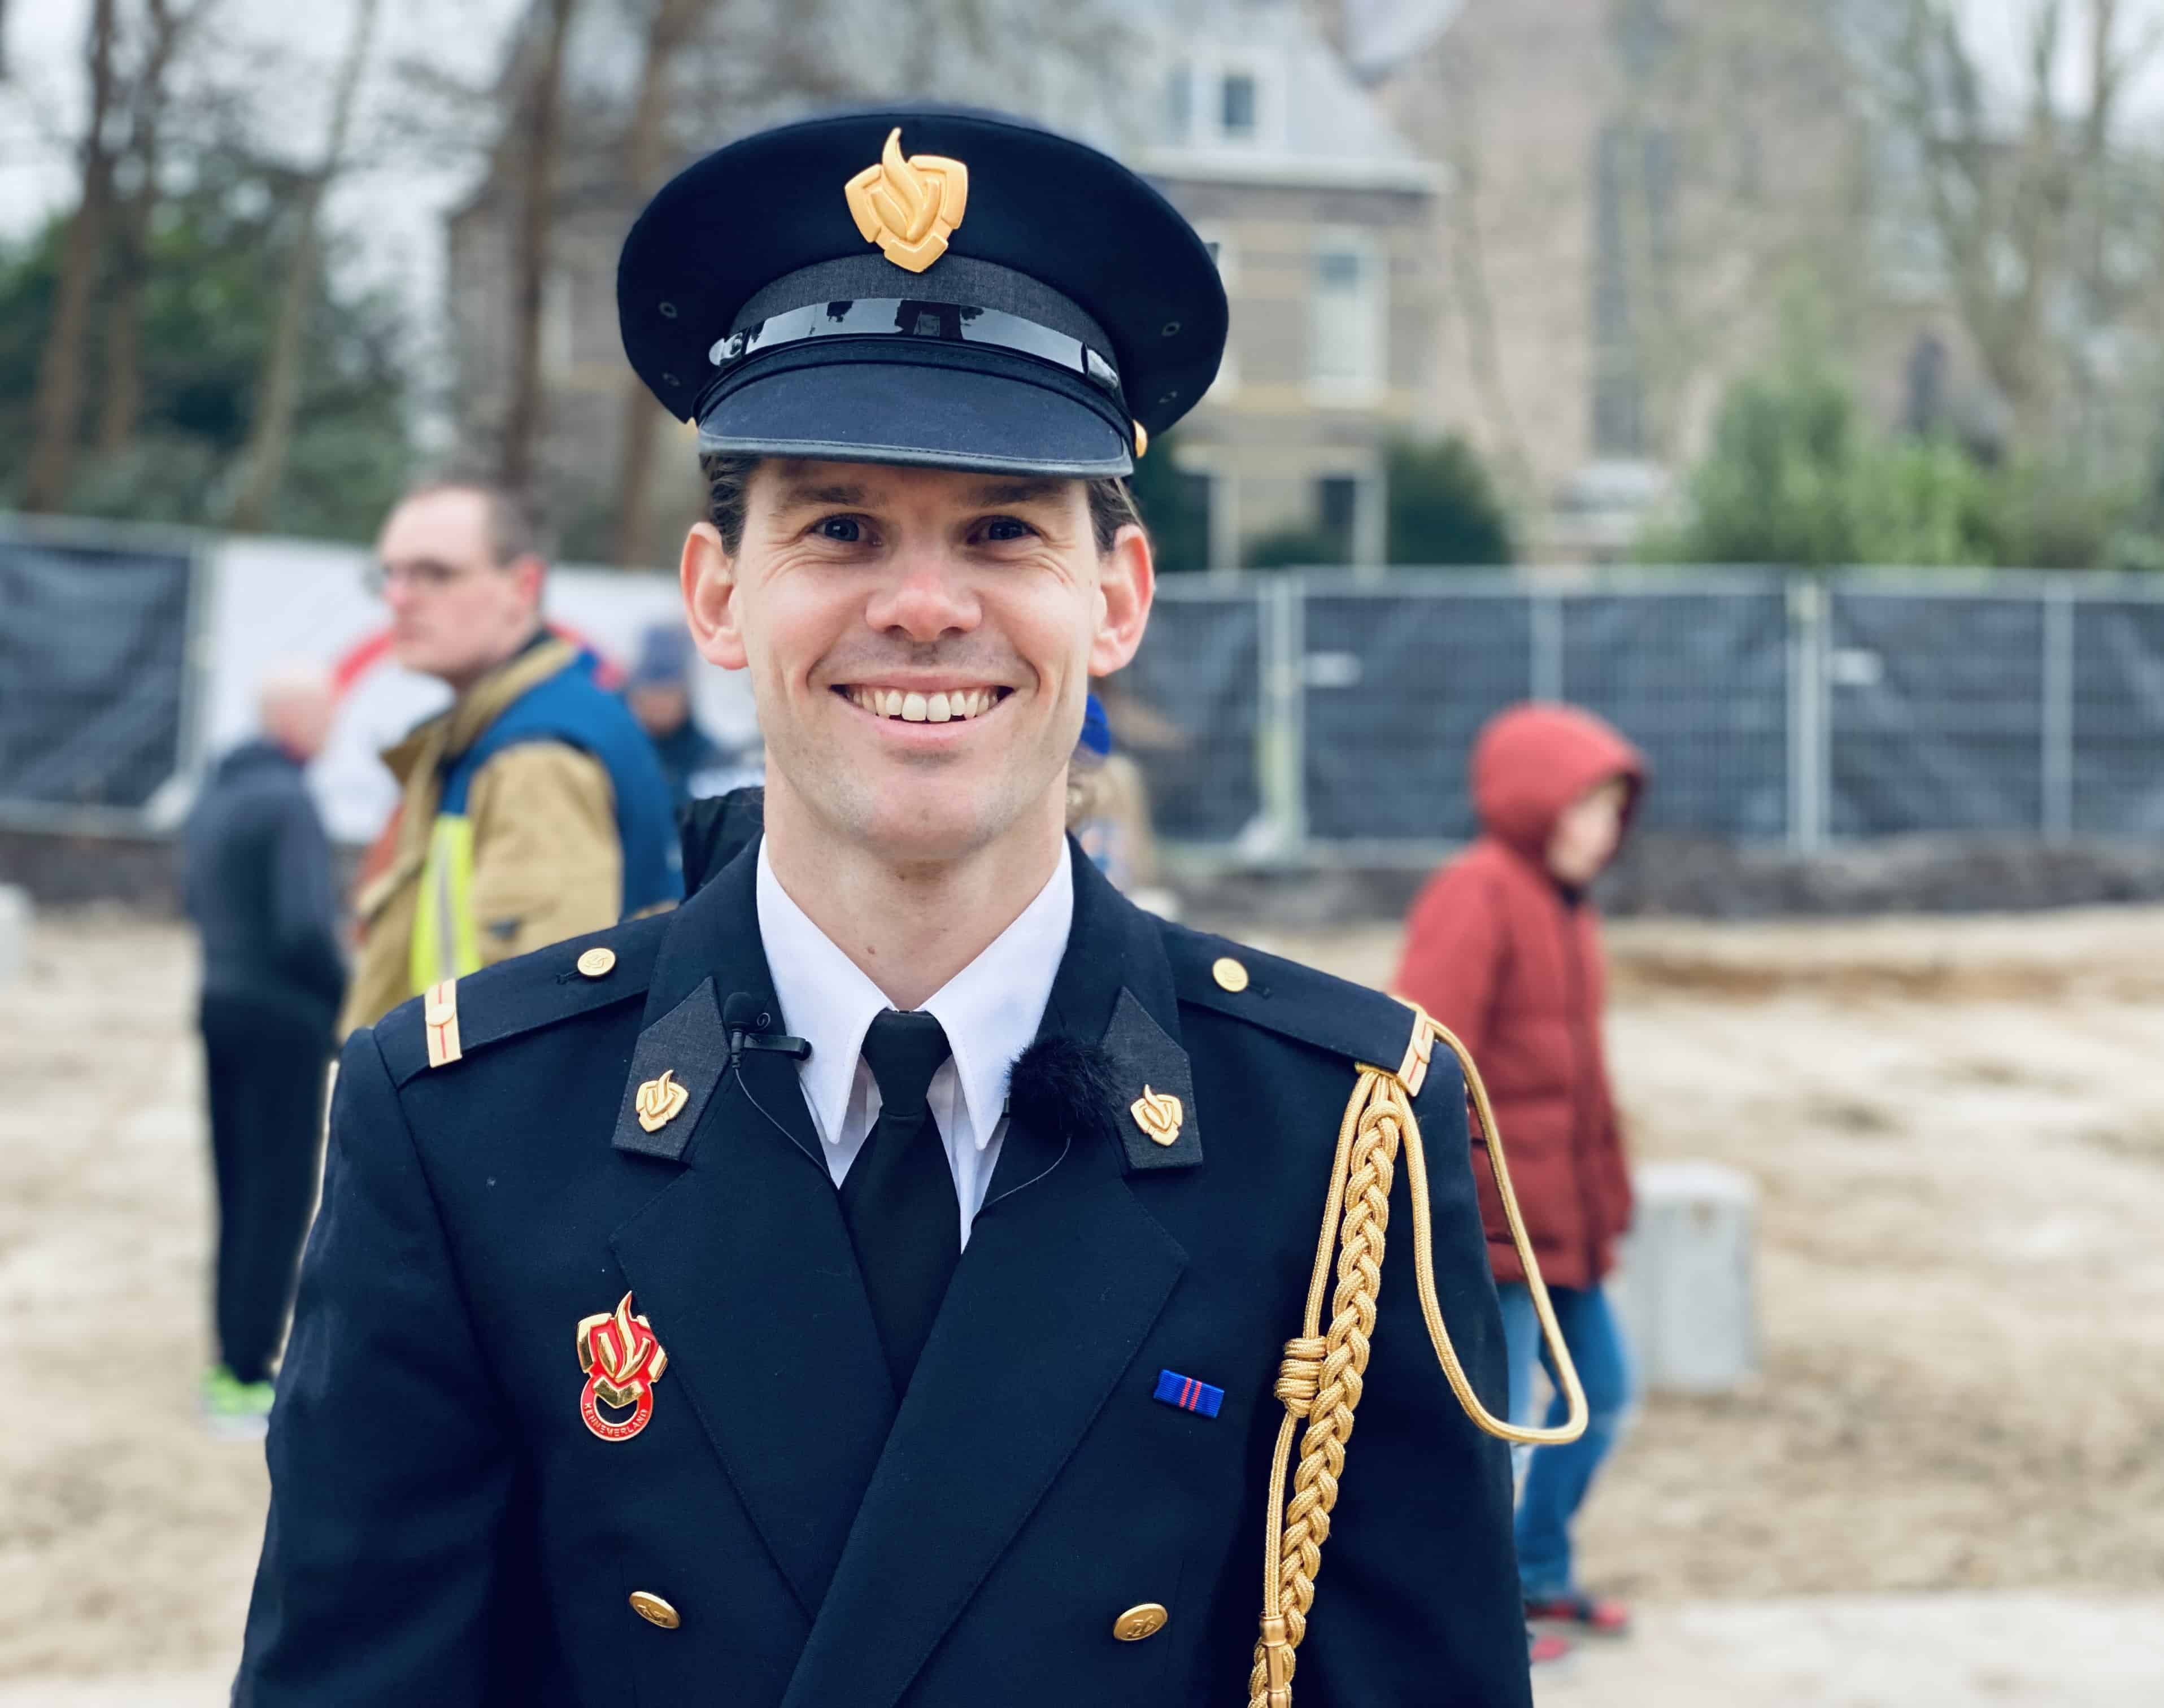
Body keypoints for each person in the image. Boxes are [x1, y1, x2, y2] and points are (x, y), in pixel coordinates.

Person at [239, 108, 1530, 1706]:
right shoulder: (458, 1127)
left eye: (1003, 529)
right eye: (841, 527)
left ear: (1116, 600)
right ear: (720, 593)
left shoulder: (1338, 1140)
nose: (924, 607)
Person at [1392, 702, 1649, 1658]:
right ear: (1534, 801)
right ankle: (1478, 1616)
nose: (1604, 831)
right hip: (1494, 1231)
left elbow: (1580, 1086)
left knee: (1603, 1394)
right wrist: (1451, 1206)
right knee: (1490, 1432)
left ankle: (1537, 1575)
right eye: (1587, 807)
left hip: (1563, 1228)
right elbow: (1425, 1055)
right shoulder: (1478, 894)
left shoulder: (1567, 910)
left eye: (1615, 810)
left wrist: (1607, 1198)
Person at [337, 480, 682, 1035]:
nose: (399, 598)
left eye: (435, 574)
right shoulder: (492, 732)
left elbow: (551, 1027)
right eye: (390, 575)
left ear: (523, 586)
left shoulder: (536, 760)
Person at [178, 665, 346, 1437]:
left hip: (219, 1004)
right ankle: (247, 1375)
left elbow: (191, 900)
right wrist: (347, 996)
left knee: (237, 1190)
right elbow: (304, 926)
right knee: (276, 1199)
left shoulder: (215, 794)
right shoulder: (289, 800)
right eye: (325, 715)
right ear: (294, 719)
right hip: (283, 1021)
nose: (333, 729)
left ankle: (229, 1362)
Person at [625, 621, 727, 808]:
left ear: (685, 694)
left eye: (668, 690)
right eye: (650, 689)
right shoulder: (617, 750)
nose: (658, 701)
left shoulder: (711, 759)